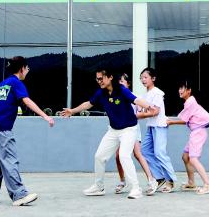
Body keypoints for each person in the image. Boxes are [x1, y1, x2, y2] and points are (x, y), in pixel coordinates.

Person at [61, 69, 157, 199]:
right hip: (113, 130)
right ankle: (98, 187)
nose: (99, 81)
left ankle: (136, 188)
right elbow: (88, 104)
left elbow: (136, 100)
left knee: (124, 156)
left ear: (110, 77)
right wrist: (72, 111)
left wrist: (149, 106)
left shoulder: (122, 90)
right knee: (99, 156)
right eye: (97, 79)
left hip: (129, 129)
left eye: (101, 78)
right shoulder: (101, 92)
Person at [0, 56, 55, 206]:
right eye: (27, 68)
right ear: (22, 69)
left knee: (1, 161)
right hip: (1, 129)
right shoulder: (16, 82)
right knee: (9, 160)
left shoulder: (3, 84)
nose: (27, 71)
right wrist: (45, 116)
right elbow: (27, 100)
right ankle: (19, 195)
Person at [167, 81, 209, 195]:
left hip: (198, 132)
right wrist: (172, 121)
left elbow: (184, 120)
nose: (180, 90)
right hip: (196, 132)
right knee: (185, 157)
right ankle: (191, 183)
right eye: (179, 88)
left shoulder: (190, 102)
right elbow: (186, 120)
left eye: (182, 88)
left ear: (189, 90)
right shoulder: (189, 102)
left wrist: (171, 122)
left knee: (193, 159)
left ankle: (208, 184)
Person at [136, 67, 178, 194]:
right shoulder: (145, 95)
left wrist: (138, 115)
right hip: (151, 126)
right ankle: (159, 178)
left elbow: (155, 112)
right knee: (144, 151)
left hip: (159, 126)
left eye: (145, 77)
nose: (143, 80)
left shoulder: (157, 93)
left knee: (160, 153)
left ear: (153, 78)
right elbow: (144, 109)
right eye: (141, 78)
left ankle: (170, 180)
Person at [113, 73, 155, 195]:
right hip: (120, 129)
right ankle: (122, 181)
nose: (120, 84)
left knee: (137, 154)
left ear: (128, 83)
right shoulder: (116, 97)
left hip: (132, 128)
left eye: (122, 81)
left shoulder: (134, 97)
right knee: (118, 156)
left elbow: (143, 113)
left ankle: (151, 180)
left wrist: (133, 116)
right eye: (118, 82)